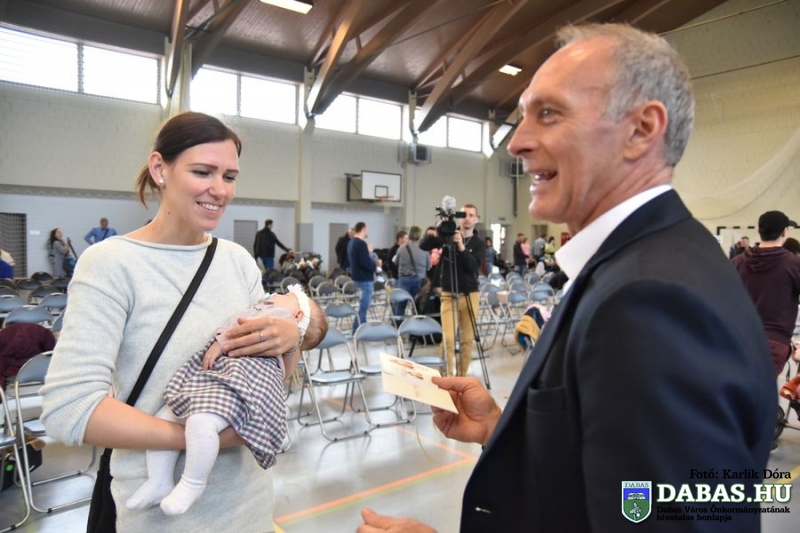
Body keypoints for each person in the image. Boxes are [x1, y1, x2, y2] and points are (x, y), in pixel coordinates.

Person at [360, 23, 775, 532]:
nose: (517, 143)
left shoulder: (650, 302)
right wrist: (500, 428)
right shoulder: (640, 263)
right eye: (523, 116)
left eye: (549, 113)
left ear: (641, 130)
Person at [41, 112, 303, 532]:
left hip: (249, 503)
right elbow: (70, 408)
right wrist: (200, 436)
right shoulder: (110, 263)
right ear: (159, 168)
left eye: (230, 177)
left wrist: (290, 339)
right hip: (161, 514)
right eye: (203, 172)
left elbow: (268, 378)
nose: (220, 190)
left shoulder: (237, 261)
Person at [126, 285, 326, 515]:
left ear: (297, 315)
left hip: (235, 386)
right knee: (167, 415)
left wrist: (221, 342)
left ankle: (193, 482)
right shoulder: (269, 310)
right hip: (216, 379)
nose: (276, 294)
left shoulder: (276, 316)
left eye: (287, 296)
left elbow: (239, 329)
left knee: (201, 422)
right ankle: (158, 480)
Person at [419, 204, 485, 376]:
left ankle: (461, 377)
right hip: (448, 294)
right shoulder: (447, 237)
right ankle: (445, 376)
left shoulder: (478, 243)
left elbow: (473, 267)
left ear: (476, 219)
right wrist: (438, 230)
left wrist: (462, 247)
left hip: (470, 294)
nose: (467, 218)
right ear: (459, 218)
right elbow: (423, 245)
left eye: (471, 215)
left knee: (466, 340)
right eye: (464, 215)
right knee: (448, 339)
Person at [732, 210, 800, 375]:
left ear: (758, 230)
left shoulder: (737, 263)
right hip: (774, 343)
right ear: (785, 231)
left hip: (738, 340)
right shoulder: (793, 264)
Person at [347, 222, 380, 332]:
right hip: (364, 278)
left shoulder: (351, 242)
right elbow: (365, 262)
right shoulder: (360, 243)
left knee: (362, 306)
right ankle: (358, 330)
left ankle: (361, 328)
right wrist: (375, 266)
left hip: (357, 277)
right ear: (363, 229)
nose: (367, 232)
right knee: (363, 306)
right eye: (367, 229)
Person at [392, 226, 429, 319]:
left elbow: (396, 262)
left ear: (409, 235)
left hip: (404, 280)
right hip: (419, 281)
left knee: (400, 306)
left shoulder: (402, 248)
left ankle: (398, 325)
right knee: (417, 306)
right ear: (420, 236)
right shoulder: (425, 249)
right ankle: (417, 325)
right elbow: (429, 266)